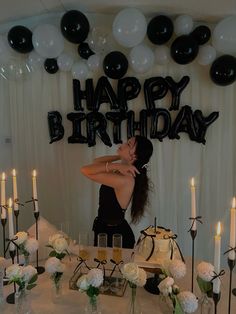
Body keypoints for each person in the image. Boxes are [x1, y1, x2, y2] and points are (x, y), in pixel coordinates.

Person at [80, 135, 153, 248]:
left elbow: (85, 170)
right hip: (108, 231)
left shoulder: (126, 179)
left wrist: (116, 165)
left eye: (128, 144)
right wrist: (119, 158)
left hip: (115, 237)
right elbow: (96, 162)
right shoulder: (122, 171)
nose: (123, 144)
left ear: (134, 156)